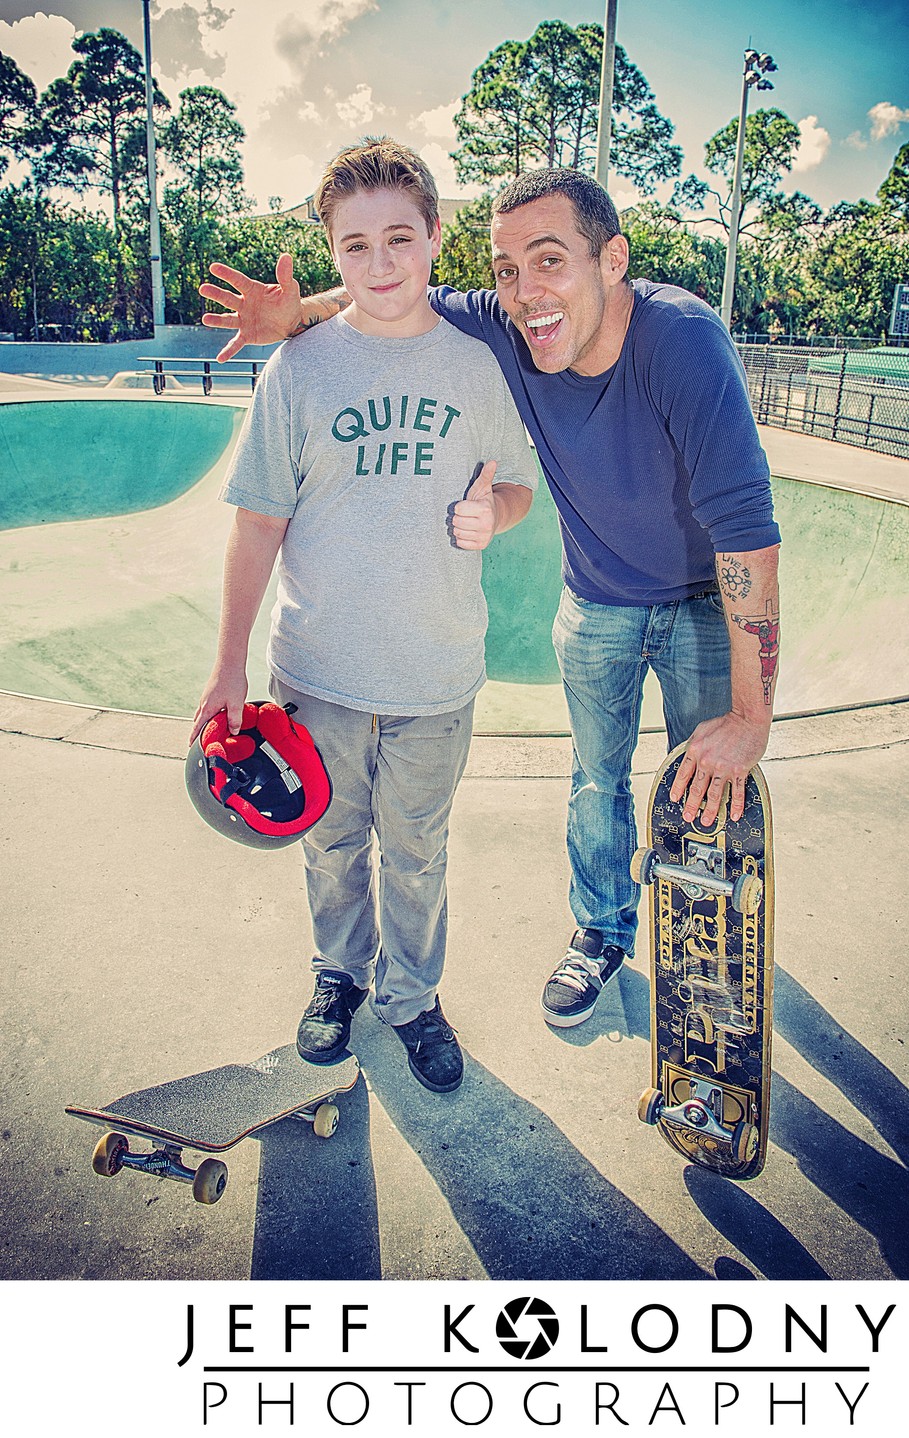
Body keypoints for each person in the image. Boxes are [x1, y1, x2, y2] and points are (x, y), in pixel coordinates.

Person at [199, 165, 780, 1032]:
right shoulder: (491, 328)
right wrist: (297, 317)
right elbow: (380, 289)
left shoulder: (670, 339)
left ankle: (708, 940)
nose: (525, 292)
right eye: (507, 270)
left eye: (549, 262)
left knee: (705, 783)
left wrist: (751, 712)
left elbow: (743, 527)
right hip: (568, 609)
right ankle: (593, 932)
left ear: (611, 259)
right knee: (588, 784)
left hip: (692, 603)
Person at [191, 138, 537, 1091]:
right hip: (318, 677)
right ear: (333, 256)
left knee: (417, 854)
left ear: (434, 237)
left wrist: (492, 514)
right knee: (332, 846)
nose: (379, 265)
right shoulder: (297, 371)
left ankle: (411, 996)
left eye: (397, 238)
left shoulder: (475, 367)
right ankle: (338, 976)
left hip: (434, 678)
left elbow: (516, 485)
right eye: (354, 247)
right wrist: (227, 666)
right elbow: (257, 524)